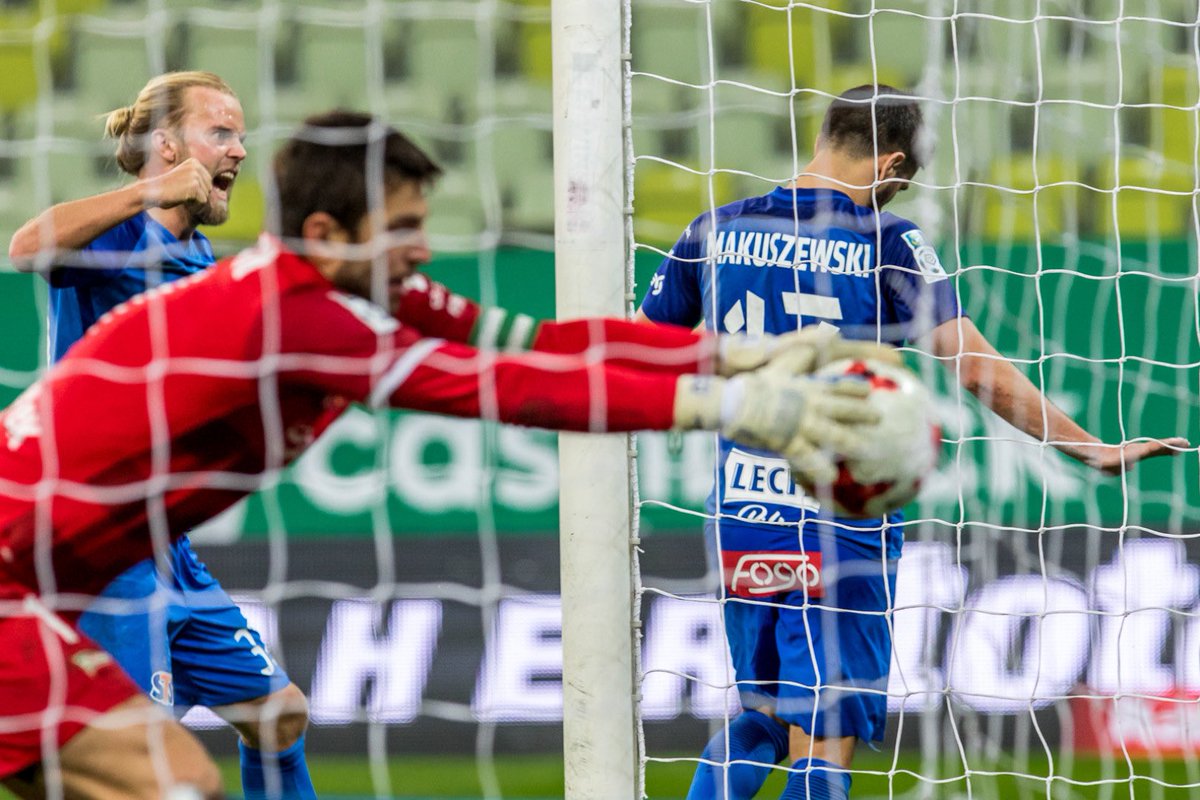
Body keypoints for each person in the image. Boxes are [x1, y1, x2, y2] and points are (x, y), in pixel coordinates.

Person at [0, 109, 888, 799]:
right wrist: (733, 406)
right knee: (171, 781)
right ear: (330, 231)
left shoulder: (339, 276)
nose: (422, 249)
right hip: (18, 571)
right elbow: (510, 393)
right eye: (405, 228)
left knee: (195, 753)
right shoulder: (296, 321)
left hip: (46, 573)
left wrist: (735, 354)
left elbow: (541, 342)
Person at [636, 84, 1189, 800]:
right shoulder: (885, 240)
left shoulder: (712, 229)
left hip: (742, 516)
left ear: (824, 135)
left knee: (765, 718)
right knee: (826, 736)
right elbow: (978, 371)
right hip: (839, 518)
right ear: (893, 163)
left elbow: (645, 350)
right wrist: (1084, 445)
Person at [7, 71, 317, 800]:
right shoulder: (118, 233)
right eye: (222, 133)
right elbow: (27, 247)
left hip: (167, 543)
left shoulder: (202, 264)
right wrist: (150, 190)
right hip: (104, 544)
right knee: (137, 763)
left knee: (278, 715)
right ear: (168, 145)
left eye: (241, 134)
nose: (238, 150)